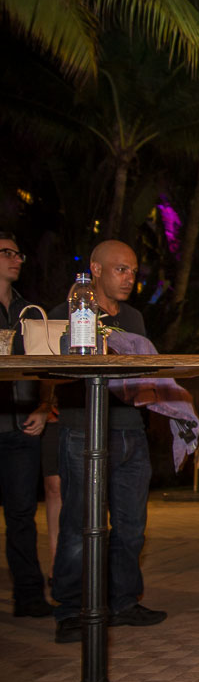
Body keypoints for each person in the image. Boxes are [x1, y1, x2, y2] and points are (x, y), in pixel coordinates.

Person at [48, 240, 166, 642]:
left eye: (133, 271)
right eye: (121, 270)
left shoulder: (133, 316)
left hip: (131, 430)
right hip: (84, 428)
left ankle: (123, 601)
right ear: (95, 270)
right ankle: (69, 609)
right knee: (81, 524)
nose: (130, 278)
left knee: (131, 526)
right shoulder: (70, 312)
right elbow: (51, 371)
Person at [0, 231, 53, 617]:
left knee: (21, 515)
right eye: (6, 253)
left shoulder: (29, 312)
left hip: (21, 427)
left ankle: (29, 597)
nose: (17, 259)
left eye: (18, 253)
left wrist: (44, 405)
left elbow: (46, 367)